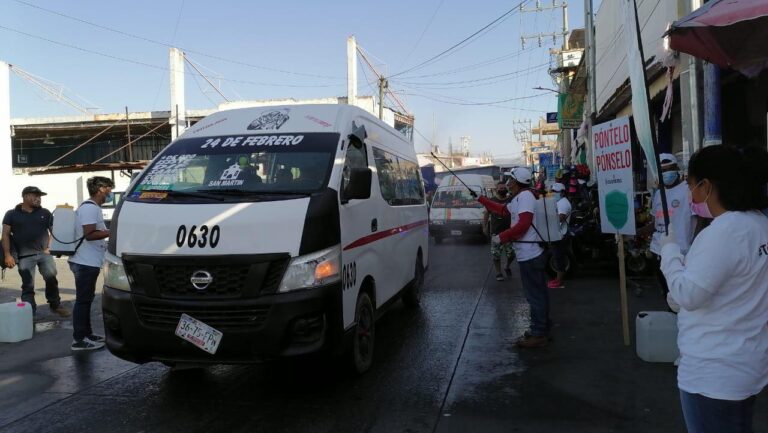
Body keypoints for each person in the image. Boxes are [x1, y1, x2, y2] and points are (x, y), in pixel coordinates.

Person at [659, 145, 768, 433]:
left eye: (690, 184)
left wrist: (669, 254)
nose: (690, 193)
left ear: (706, 185)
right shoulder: (759, 223)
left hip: (714, 373)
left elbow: (687, 295)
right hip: (747, 364)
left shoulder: (723, 231)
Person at [477, 167, 551, 348]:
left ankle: (539, 333)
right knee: (537, 294)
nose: (507, 184)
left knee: (535, 296)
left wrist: (501, 237)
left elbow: (524, 224)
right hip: (530, 254)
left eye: (510, 180)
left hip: (530, 255)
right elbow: (502, 210)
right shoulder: (520, 197)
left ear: (517, 182)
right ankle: (540, 328)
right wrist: (481, 199)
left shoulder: (525, 197)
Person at [2, 186, 70, 317]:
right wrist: (7, 255)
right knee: (28, 285)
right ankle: (29, 312)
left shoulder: (45, 212)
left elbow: (54, 230)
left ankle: (55, 305)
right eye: (36, 196)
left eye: (40, 197)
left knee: (51, 279)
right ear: (26, 197)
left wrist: (49, 247)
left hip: (44, 254)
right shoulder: (11, 214)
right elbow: (5, 235)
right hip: (24, 256)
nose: (39, 199)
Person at [69, 176, 114, 351]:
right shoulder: (90, 208)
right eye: (109, 189)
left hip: (88, 261)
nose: (109, 193)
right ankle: (79, 339)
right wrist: (111, 231)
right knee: (82, 301)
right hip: (84, 262)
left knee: (86, 300)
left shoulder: (92, 207)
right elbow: (89, 234)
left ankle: (87, 334)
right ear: (101, 189)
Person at [641, 153, 695, 297]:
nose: (666, 173)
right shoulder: (659, 194)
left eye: (669, 169)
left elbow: (700, 219)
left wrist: (695, 245)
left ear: (677, 168)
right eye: (662, 171)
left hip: (682, 253)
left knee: (681, 295)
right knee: (667, 293)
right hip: (659, 251)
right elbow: (655, 221)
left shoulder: (688, 190)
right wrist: (637, 231)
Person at [483, 181, 514, 281]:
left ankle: (507, 266)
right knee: (496, 255)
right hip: (496, 233)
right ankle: (498, 272)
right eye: (500, 188)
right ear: (496, 189)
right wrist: (484, 226)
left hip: (510, 232)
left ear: (507, 189)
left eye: (503, 188)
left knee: (512, 254)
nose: (502, 190)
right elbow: (486, 214)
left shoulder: (511, 200)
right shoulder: (492, 201)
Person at [547, 183, 571, 289]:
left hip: (561, 234)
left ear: (562, 192)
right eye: (552, 192)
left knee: (559, 257)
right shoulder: (559, 202)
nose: (553, 194)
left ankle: (559, 280)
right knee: (557, 256)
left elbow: (560, 218)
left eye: (555, 192)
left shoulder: (563, 203)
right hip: (558, 233)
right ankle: (558, 279)